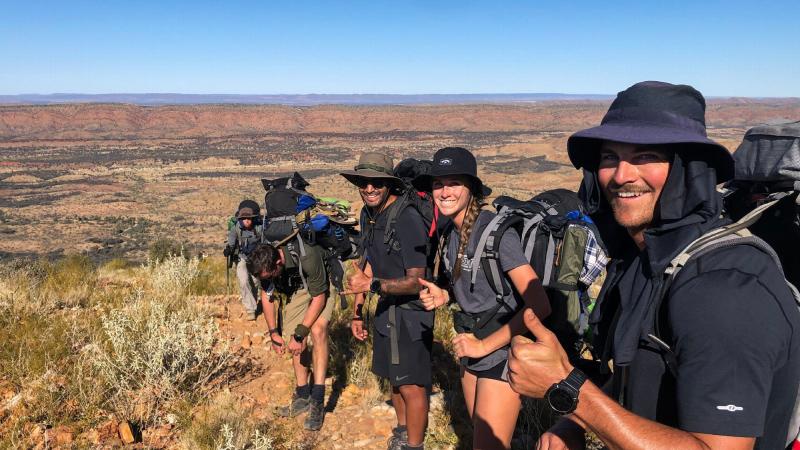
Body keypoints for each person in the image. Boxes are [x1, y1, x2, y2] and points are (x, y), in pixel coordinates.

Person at [506, 81, 800, 450]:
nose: (622, 175)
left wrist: (568, 388)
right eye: (610, 157)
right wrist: (574, 422)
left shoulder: (725, 288)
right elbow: (642, 379)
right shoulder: (645, 263)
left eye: (645, 156)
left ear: (687, 169)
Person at [413, 146, 553, 450]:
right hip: (472, 347)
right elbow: (476, 285)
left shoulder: (497, 234)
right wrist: (446, 293)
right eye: (438, 184)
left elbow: (540, 304)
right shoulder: (451, 232)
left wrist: (484, 345)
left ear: (471, 189)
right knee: (482, 430)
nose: (444, 191)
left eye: (454, 183)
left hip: (499, 351)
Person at [340, 152, 434, 450]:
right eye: (363, 183)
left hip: (410, 313)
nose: (369, 189)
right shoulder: (369, 215)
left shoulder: (406, 218)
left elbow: (416, 280)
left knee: (412, 383)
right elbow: (365, 265)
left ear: (389, 184)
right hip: (384, 307)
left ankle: (415, 445)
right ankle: (403, 432)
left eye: (377, 183)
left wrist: (372, 284)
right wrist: (358, 312)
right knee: (395, 378)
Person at [246, 241, 333, 431]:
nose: (268, 279)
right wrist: (273, 332)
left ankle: (317, 400)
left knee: (317, 330)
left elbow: (319, 298)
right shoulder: (265, 266)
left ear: (278, 262)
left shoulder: (307, 256)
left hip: (324, 282)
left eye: (270, 275)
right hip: (299, 285)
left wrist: (301, 335)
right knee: (291, 335)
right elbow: (267, 295)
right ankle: (303, 395)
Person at [224, 199, 263, 321]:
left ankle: (253, 302)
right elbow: (231, 242)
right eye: (244, 218)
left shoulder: (259, 228)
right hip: (241, 257)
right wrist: (228, 250)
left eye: (249, 218)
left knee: (255, 282)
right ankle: (250, 309)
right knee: (243, 281)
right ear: (240, 219)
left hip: (256, 257)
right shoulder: (236, 228)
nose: (247, 220)